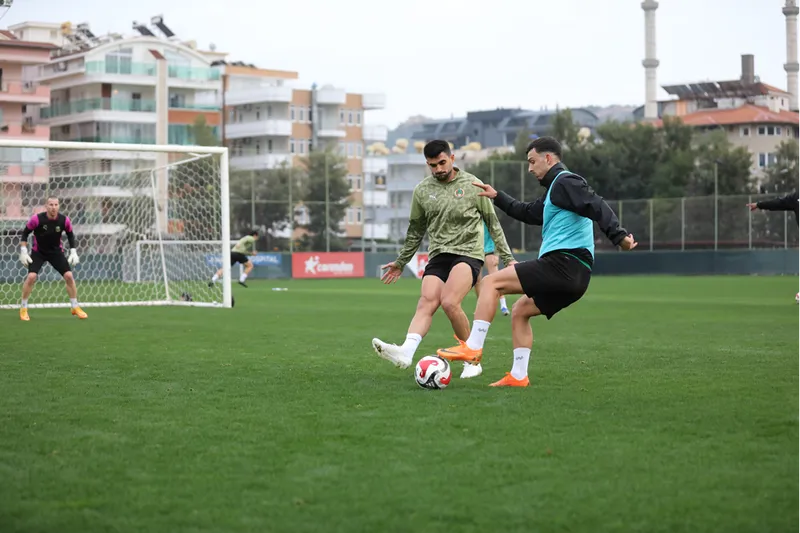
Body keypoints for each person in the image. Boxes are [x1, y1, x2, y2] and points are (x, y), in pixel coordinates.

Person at [436, 136, 637, 387]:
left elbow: (596, 204)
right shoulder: (556, 190)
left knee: (490, 283)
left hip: (564, 263)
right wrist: (497, 196)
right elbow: (529, 212)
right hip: (576, 276)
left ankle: (473, 347)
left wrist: (619, 236)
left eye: (532, 161)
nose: (530, 168)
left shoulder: (566, 181)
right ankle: (518, 376)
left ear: (548, 158)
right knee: (520, 310)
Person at [372, 140, 515, 374]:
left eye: (442, 163)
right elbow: (415, 231)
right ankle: (406, 351)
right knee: (426, 301)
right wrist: (401, 262)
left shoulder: (472, 184)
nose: (438, 169)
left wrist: (508, 259)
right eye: (432, 165)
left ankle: (472, 361)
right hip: (439, 254)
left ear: (452, 158)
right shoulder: (422, 191)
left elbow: (493, 223)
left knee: (449, 302)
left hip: (468, 253)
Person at [18, 196, 86, 321]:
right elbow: (25, 233)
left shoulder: (64, 220)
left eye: (56, 205)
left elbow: (70, 234)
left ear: (59, 206)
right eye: (51, 205)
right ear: (46, 206)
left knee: (69, 276)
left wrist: (73, 251)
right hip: (39, 252)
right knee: (31, 277)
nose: (53, 207)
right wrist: (23, 251)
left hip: (56, 252)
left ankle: (75, 306)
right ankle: (23, 308)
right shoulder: (37, 219)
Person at [475, 221, 510, 316]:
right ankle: (481, 306)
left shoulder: (489, 217)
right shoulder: (473, 217)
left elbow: (497, 235)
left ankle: (503, 305)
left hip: (489, 250)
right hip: (476, 250)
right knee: (477, 280)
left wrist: (497, 254)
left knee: (496, 278)